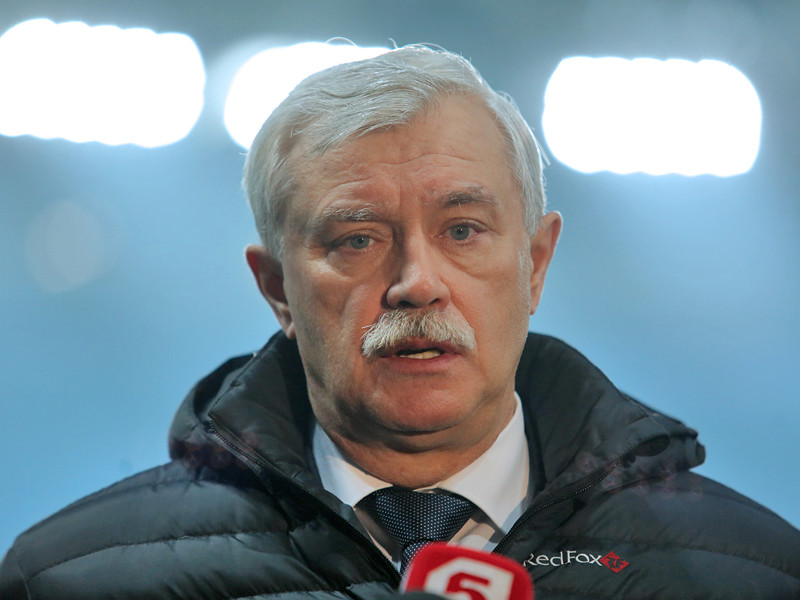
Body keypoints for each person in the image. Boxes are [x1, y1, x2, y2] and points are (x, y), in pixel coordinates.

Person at [1, 44, 798, 599]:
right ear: (276, 290)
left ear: (535, 265)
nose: (417, 284)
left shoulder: (758, 577)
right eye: (357, 239)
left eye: (463, 230)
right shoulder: (70, 580)